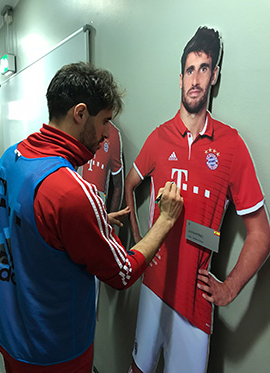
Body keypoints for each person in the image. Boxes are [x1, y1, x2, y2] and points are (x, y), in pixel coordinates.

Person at [0, 62, 184, 373]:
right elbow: (122, 274)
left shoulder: (12, 157)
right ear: (80, 113)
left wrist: (87, 223)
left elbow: (24, 221)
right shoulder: (71, 192)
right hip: (53, 351)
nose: (108, 134)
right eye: (105, 121)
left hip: (10, 333)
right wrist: (165, 220)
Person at [126, 26, 270, 373]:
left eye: (204, 68)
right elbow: (130, 185)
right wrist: (138, 244)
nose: (195, 78)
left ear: (214, 75)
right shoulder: (159, 137)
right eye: (190, 69)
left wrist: (230, 288)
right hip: (151, 288)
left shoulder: (232, 146)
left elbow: (261, 234)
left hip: (194, 304)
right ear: (180, 78)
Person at [79, 120, 124, 212]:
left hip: (97, 203)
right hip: (73, 197)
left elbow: (118, 185)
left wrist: (110, 223)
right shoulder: (77, 123)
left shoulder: (113, 134)